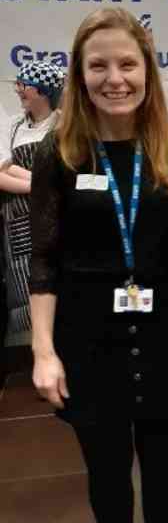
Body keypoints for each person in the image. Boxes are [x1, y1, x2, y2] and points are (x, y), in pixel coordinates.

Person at [29, 7, 168, 523]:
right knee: (105, 463)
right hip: (87, 338)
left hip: (164, 332)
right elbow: (44, 261)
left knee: (163, 460)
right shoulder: (56, 156)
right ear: (80, 76)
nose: (115, 78)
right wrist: (43, 350)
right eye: (99, 65)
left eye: (127, 64)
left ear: (147, 72)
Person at [0, 61, 65, 337]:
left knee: (60, 281)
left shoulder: (64, 123)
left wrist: (40, 184)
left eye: (23, 85)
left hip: (58, 216)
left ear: (42, 90)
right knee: (22, 289)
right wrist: (40, 184)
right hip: (18, 222)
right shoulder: (12, 126)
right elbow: (1, 168)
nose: (18, 90)